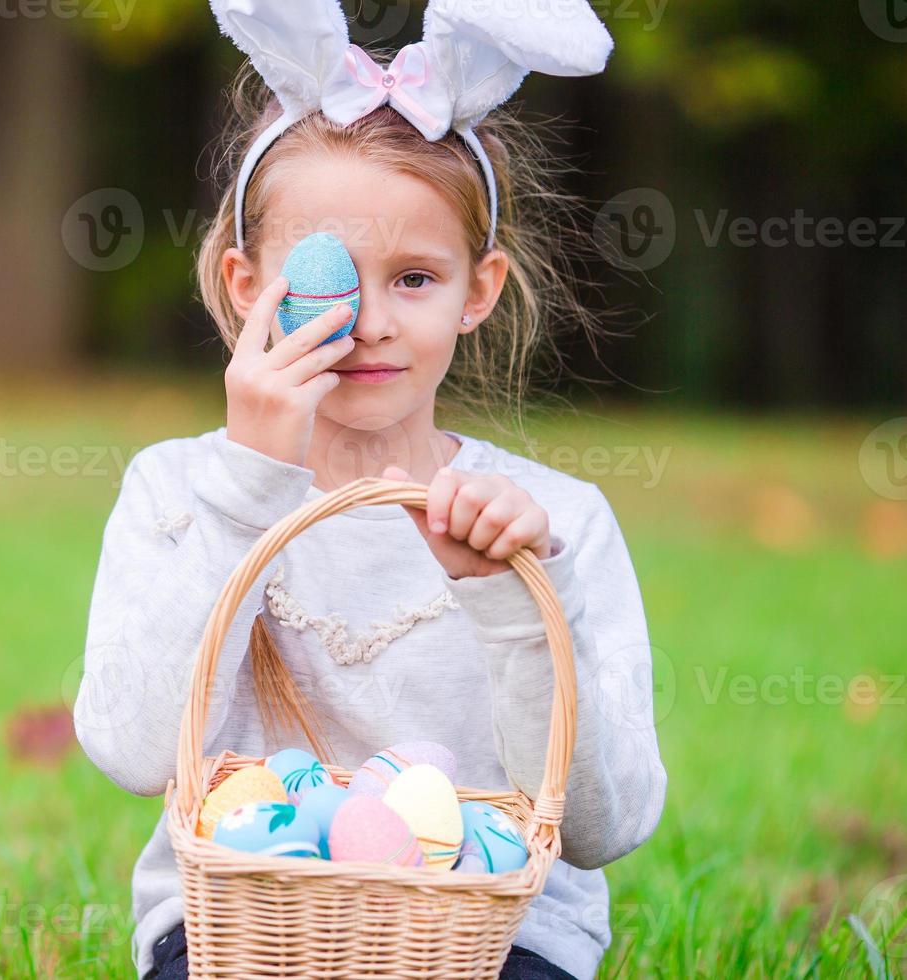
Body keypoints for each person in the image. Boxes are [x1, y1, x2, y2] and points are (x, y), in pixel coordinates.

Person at [75, 2, 667, 976]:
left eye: (416, 279)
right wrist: (248, 480)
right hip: (242, 920)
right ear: (244, 283)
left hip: (497, 933)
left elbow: (607, 822)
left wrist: (520, 594)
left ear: (479, 289)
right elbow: (135, 749)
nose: (371, 322)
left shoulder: (557, 522)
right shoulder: (179, 488)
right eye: (328, 276)